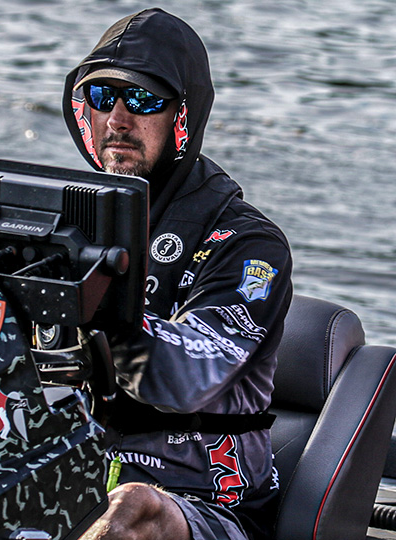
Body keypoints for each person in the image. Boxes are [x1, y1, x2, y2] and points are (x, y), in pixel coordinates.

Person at [62, 8, 293, 540]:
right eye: (102, 97)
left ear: (182, 116)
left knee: (134, 509)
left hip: (205, 504)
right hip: (69, 473)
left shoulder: (250, 246)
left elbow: (185, 379)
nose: (118, 119)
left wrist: (95, 304)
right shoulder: (66, 223)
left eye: (142, 100)